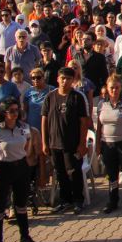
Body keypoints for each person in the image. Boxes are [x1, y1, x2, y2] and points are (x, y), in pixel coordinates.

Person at [0, 98, 40, 242]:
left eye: (17, 110)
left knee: (21, 204)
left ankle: (24, 237)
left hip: (21, 168)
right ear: (4, 113)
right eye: (12, 111)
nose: (15, 114)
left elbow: (29, 140)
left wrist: (27, 156)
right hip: (2, 169)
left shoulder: (23, 128)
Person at [41, 66, 90, 215]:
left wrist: (82, 144)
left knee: (74, 172)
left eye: (68, 79)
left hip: (72, 144)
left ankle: (78, 201)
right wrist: (45, 142)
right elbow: (44, 120)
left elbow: (84, 122)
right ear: (57, 79)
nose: (64, 81)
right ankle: (65, 200)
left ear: (73, 80)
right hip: (54, 143)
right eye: (62, 78)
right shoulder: (50, 97)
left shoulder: (77, 97)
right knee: (60, 173)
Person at [93, 76, 122, 215]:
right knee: (111, 174)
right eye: (112, 87)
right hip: (107, 143)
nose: (114, 90)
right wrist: (98, 145)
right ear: (107, 88)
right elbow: (99, 126)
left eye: (117, 87)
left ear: (121, 88)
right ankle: (113, 200)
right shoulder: (102, 104)